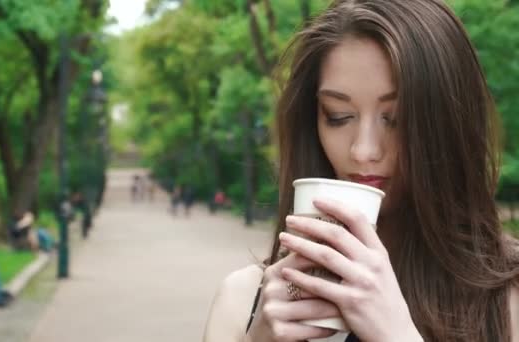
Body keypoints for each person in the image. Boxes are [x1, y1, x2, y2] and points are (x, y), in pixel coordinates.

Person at [203, 1, 519, 341]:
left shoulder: (507, 300)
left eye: (396, 120)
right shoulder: (246, 300)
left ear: (449, 124)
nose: (363, 151)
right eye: (338, 115)